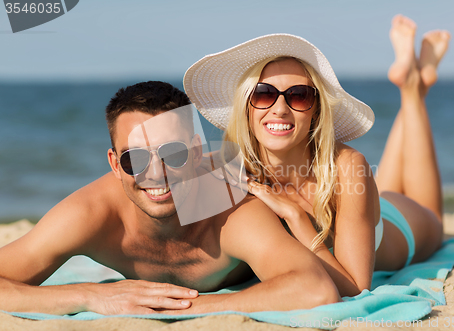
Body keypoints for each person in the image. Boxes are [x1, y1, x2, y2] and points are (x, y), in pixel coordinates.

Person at [0, 81, 339, 315]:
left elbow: (316, 289)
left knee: (391, 215)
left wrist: (180, 309)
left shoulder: (232, 209)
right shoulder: (91, 213)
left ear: (196, 153)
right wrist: (90, 295)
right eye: (135, 159)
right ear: (115, 164)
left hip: (335, 226)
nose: (156, 173)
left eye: (173, 155)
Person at [184, 15, 451, 297]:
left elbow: (356, 289)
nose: (280, 108)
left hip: (401, 227)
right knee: (381, 186)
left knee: (432, 216)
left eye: (298, 96)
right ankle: (413, 83)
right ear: (246, 107)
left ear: (316, 111)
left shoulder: (348, 167)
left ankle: (413, 91)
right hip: (361, 208)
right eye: (264, 94)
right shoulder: (229, 166)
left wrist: (296, 217)